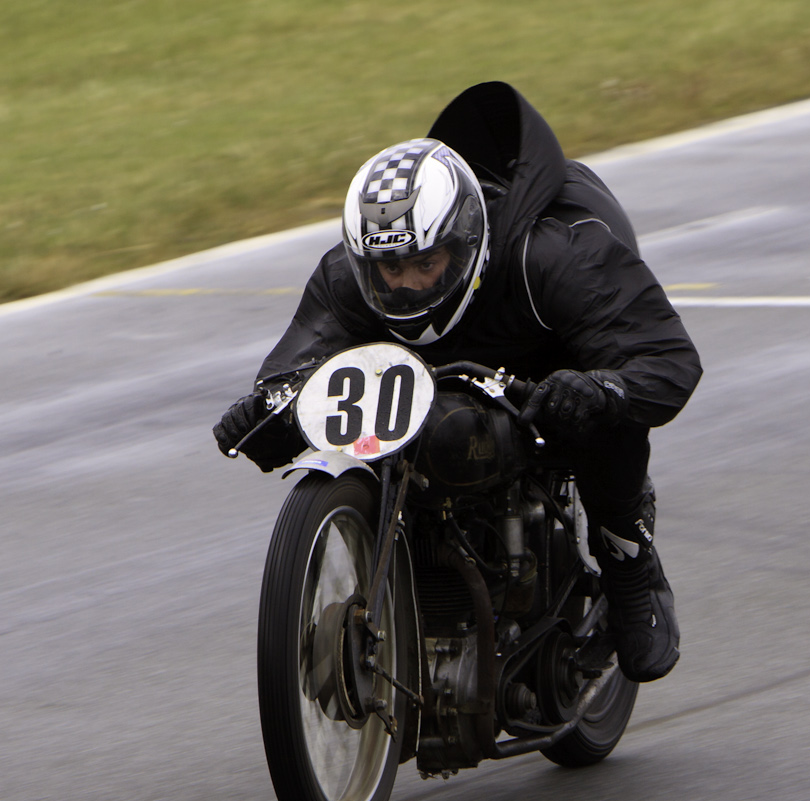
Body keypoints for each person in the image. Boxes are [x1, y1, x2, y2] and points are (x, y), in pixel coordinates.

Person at [214, 82, 702, 682]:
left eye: (426, 264)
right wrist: (267, 415)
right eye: (390, 268)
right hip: (425, 383)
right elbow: (296, 367)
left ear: (466, 241)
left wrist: (601, 389)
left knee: (599, 422)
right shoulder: (348, 276)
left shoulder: (554, 254)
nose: (408, 284)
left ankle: (630, 562)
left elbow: (663, 357)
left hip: (548, 358)